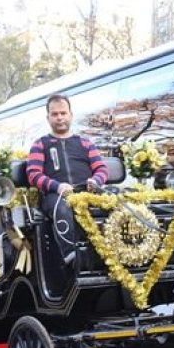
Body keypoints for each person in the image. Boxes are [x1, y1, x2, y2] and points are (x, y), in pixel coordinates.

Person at [26, 93, 108, 265]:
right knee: (62, 207)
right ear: (48, 117)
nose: (59, 118)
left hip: (87, 193)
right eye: (55, 114)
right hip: (56, 196)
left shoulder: (85, 143)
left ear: (71, 115)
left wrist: (96, 181)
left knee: (113, 203)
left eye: (63, 113)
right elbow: (33, 174)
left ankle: (113, 251)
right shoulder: (40, 144)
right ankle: (72, 257)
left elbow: (101, 169)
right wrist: (57, 186)